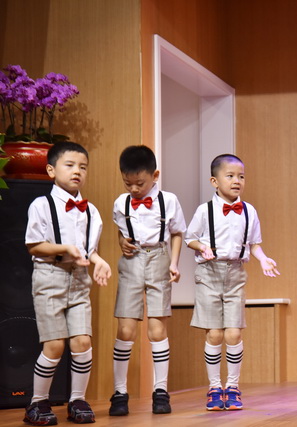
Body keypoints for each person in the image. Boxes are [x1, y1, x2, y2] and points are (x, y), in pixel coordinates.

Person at [24, 142, 111, 425]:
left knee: (82, 341)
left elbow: (89, 250)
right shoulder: (41, 205)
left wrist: (99, 261)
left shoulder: (91, 211)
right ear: (51, 170)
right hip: (50, 277)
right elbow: (34, 245)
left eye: (83, 167)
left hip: (79, 280)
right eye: (70, 165)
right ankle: (37, 403)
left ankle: (77, 400)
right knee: (54, 345)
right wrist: (65, 249)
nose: (77, 171)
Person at [185, 153, 280, 411]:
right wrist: (202, 247)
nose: (237, 181)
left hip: (236, 274)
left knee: (234, 332)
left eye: (241, 176)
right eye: (230, 176)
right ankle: (215, 387)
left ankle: (233, 386)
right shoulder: (204, 210)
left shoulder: (249, 211)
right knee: (214, 333)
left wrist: (263, 259)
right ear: (214, 181)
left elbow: (254, 244)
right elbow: (190, 238)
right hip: (209, 274)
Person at [109, 145, 187, 416]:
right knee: (125, 329)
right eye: (127, 183)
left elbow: (177, 233)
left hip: (159, 259)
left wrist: (174, 263)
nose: (134, 189)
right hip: (131, 261)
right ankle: (120, 392)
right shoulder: (121, 203)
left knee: (157, 329)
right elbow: (121, 232)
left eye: (139, 183)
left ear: (155, 175)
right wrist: (122, 242)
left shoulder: (169, 200)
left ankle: (160, 390)